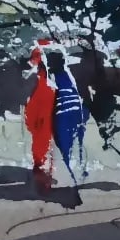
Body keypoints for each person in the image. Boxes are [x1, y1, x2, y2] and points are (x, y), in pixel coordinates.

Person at [47, 47, 89, 184]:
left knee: (65, 145)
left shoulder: (52, 76)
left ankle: (73, 174)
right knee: (75, 143)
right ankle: (79, 170)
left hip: (63, 115)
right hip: (76, 112)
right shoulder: (69, 74)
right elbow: (79, 94)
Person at [24, 41, 57, 192]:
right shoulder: (42, 79)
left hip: (44, 114)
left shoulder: (43, 80)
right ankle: (42, 172)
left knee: (43, 141)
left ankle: (42, 172)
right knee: (43, 142)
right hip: (43, 113)